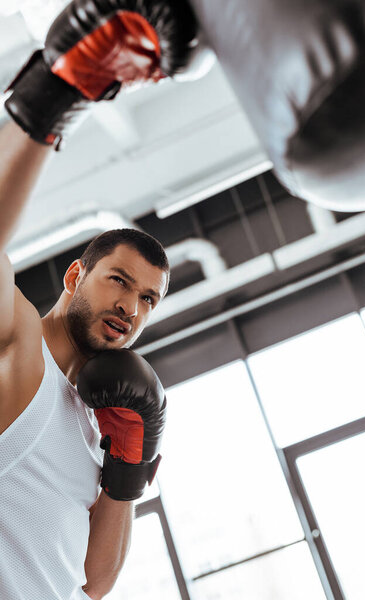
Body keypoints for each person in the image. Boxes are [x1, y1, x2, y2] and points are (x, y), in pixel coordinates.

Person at [0, 0, 199, 598]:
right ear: (73, 276)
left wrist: (126, 471)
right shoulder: (19, 350)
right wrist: (54, 95)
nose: (131, 307)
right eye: (118, 280)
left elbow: (94, 581)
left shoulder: (103, 425)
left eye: (148, 299)